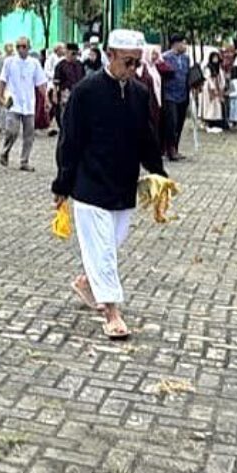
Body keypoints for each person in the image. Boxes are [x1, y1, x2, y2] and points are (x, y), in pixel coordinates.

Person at [53, 29, 167, 341]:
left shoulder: (139, 93)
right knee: (103, 252)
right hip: (89, 186)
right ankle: (112, 313)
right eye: (128, 62)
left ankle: (86, 283)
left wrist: (159, 175)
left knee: (109, 247)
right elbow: (70, 141)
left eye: (137, 63)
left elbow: (147, 139)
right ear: (110, 55)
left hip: (123, 186)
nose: (134, 69)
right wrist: (62, 184)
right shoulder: (85, 91)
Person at [0, 37, 47, 171]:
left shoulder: (34, 63)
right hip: (13, 101)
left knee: (29, 135)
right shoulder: (9, 62)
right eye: (18, 46)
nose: (21, 49)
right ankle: (5, 151)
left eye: (24, 46)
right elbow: (2, 79)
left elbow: (40, 83)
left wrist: (46, 99)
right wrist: (0, 94)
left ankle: (24, 161)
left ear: (29, 48)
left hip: (29, 103)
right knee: (12, 131)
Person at [160, 34, 191, 161]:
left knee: (179, 122)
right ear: (176, 44)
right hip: (169, 95)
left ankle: (175, 148)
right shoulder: (165, 57)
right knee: (171, 122)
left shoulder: (186, 58)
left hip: (183, 94)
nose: (185, 46)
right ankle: (170, 149)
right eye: (183, 43)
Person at [53, 42, 86, 131]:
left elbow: (84, 79)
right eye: (72, 53)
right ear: (67, 52)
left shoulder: (80, 65)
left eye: (75, 54)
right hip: (65, 93)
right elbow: (56, 82)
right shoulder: (60, 65)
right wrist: (55, 94)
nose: (74, 56)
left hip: (79, 93)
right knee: (65, 115)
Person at [198, 51, 227, 132]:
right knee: (209, 106)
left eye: (216, 58)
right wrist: (213, 88)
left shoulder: (219, 69)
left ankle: (216, 121)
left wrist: (221, 88)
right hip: (209, 89)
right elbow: (208, 79)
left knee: (216, 106)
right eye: (214, 58)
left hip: (217, 88)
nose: (215, 59)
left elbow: (222, 78)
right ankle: (208, 121)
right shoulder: (208, 68)